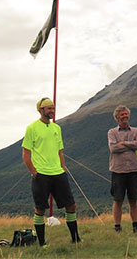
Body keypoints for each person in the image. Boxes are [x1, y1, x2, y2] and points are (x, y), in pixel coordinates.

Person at [21, 97, 81, 248]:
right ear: (41, 110)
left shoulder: (57, 128)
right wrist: (34, 172)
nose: (52, 111)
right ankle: (42, 244)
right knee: (40, 208)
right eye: (49, 108)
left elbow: (60, 151)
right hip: (41, 174)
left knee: (71, 205)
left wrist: (63, 167)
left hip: (58, 173)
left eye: (53, 108)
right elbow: (25, 153)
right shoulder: (32, 128)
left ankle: (76, 239)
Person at [107, 105, 137, 233]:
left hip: (134, 170)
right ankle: (117, 227)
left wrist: (124, 143)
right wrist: (131, 146)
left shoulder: (136, 131)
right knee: (118, 200)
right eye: (122, 115)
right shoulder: (112, 132)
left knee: (133, 199)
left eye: (126, 114)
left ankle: (136, 226)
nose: (125, 117)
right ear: (117, 118)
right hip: (118, 171)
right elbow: (113, 148)